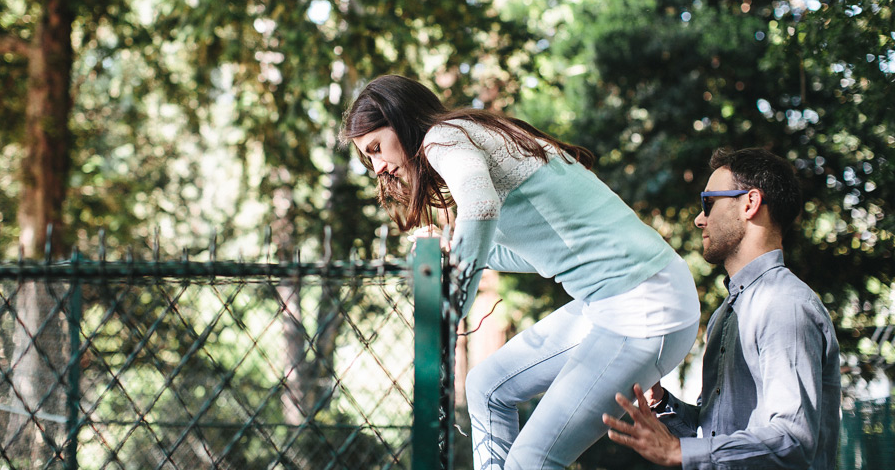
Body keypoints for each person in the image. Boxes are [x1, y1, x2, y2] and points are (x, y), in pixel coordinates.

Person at [340, 75, 700, 470]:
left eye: (376, 148)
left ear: (400, 120)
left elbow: (478, 208)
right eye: (367, 158)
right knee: (487, 387)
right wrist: (456, 247)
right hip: (619, 300)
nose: (377, 168)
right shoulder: (469, 135)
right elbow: (540, 256)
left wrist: (452, 309)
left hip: (643, 304)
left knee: (532, 460)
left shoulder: (440, 138)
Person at [603, 148, 841, 469]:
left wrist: (678, 453)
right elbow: (711, 429)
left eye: (709, 203)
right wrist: (660, 402)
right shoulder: (723, 315)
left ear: (750, 203)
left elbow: (793, 439)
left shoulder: (786, 305)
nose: (700, 218)